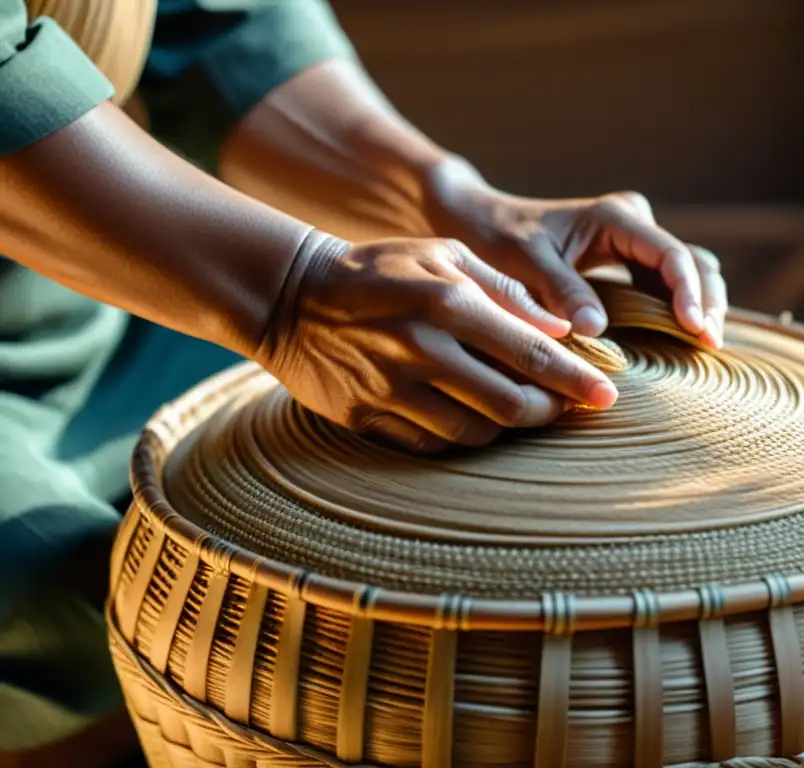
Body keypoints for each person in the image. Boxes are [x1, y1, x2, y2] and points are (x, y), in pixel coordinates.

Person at [0, 0, 727, 761]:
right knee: (181, 609)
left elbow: (217, 24)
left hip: (103, 292)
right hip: (88, 273)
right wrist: (287, 295)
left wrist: (451, 203)